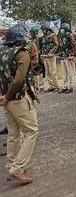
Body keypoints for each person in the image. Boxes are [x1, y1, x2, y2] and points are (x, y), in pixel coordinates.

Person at [0, 25, 39, 184]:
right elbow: (19, 80)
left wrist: (3, 96)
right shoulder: (22, 54)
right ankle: (17, 168)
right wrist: (8, 97)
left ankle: (11, 165)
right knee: (31, 131)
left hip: (5, 98)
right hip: (17, 98)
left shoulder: (2, 52)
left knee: (13, 133)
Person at [39, 23, 60, 92]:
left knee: (53, 72)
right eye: (42, 30)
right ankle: (51, 86)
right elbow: (42, 46)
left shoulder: (53, 35)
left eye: (43, 29)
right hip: (45, 56)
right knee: (47, 72)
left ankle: (56, 86)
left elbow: (56, 45)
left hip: (51, 56)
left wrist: (51, 52)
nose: (42, 31)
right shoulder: (43, 37)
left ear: (47, 29)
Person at [58, 23, 76, 94]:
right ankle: (65, 86)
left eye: (63, 28)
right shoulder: (61, 35)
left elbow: (73, 45)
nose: (62, 29)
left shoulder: (70, 35)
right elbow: (60, 45)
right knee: (64, 73)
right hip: (63, 55)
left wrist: (72, 54)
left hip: (68, 56)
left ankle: (70, 87)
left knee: (69, 72)